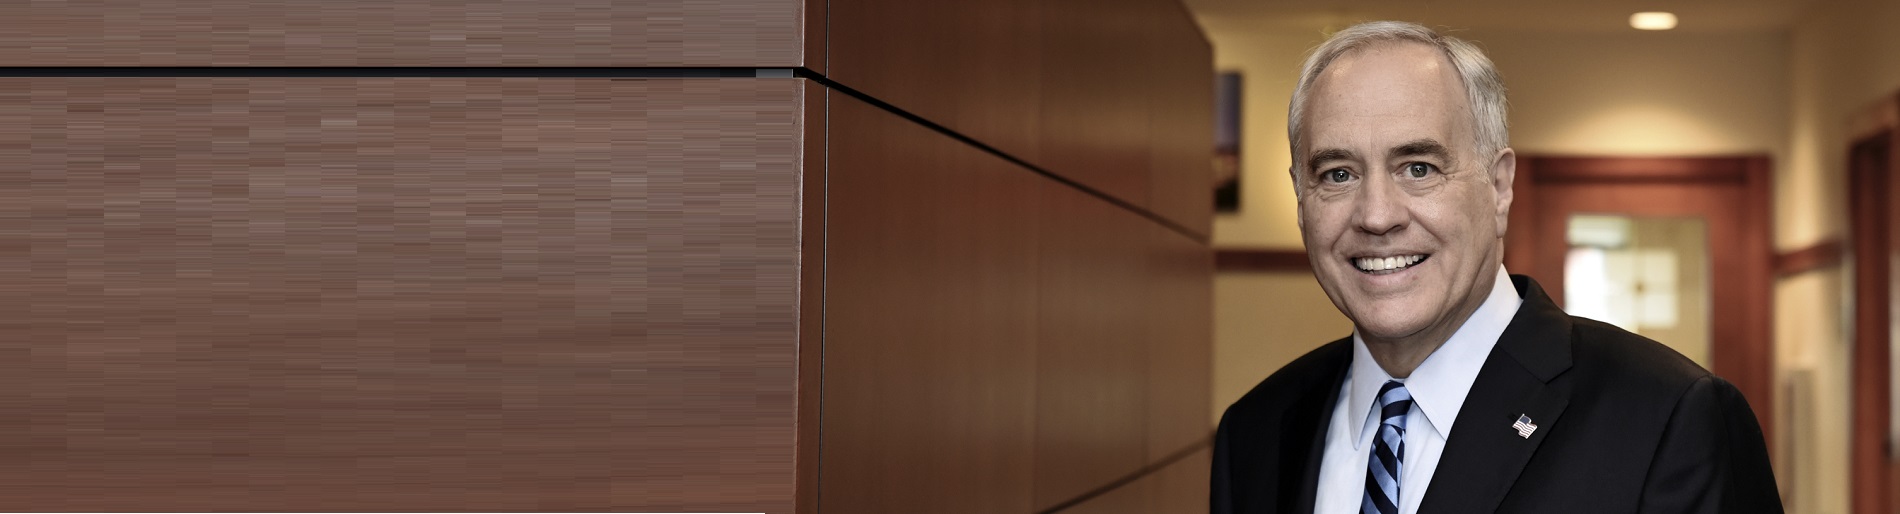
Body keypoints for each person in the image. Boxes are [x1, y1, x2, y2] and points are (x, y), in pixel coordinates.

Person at [1209, 21, 1781, 514]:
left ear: (1499, 186)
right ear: (1301, 200)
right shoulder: (1257, 432)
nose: (1377, 216)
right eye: (1338, 174)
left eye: (1418, 167)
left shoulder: (1667, 420)